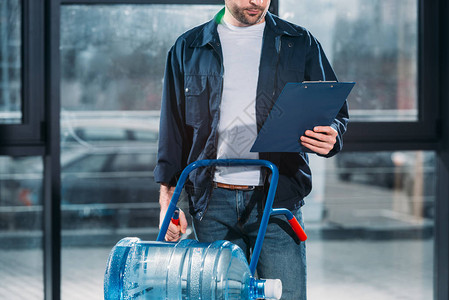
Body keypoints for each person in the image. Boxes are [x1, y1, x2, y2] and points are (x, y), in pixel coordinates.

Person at [154, 0, 349, 299]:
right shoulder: (188, 48)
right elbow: (173, 133)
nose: (257, 2)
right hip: (211, 203)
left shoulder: (300, 43)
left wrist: (332, 135)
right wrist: (168, 203)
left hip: (278, 202)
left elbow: (335, 112)